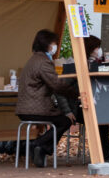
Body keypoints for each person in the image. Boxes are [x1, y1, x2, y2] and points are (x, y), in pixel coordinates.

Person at [17, 29, 84, 167]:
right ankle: (37, 144)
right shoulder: (44, 62)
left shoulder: (33, 59)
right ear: (47, 44)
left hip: (25, 108)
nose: (55, 47)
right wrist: (76, 94)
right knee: (65, 121)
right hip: (36, 109)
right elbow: (57, 85)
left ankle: (40, 149)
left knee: (62, 120)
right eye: (54, 43)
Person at [60, 35, 109, 161]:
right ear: (90, 48)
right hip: (76, 107)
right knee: (101, 121)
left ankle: (105, 155)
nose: (99, 50)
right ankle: (105, 156)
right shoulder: (76, 65)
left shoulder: (94, 63)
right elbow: (60, 89)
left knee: (102, 119)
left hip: (88, 105)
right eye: (97, 47)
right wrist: (67, 111)